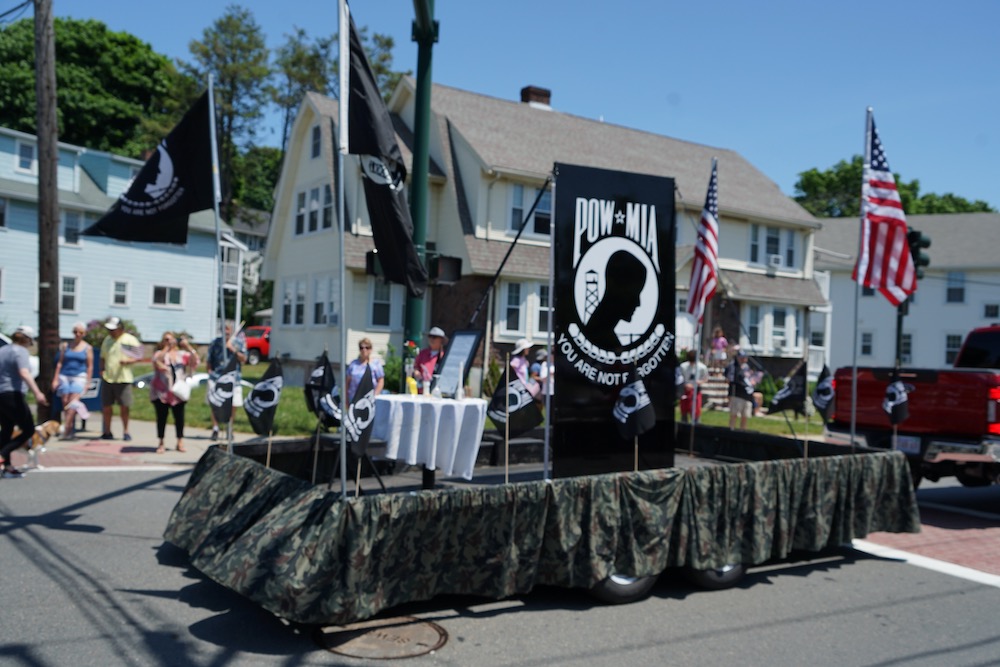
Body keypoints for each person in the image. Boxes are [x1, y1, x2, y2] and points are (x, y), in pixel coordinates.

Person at [0, 326, 48, 478]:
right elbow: (24, 373)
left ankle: (7, 466)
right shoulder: (20, 351)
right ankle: (2, 454)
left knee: (6, 430)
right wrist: (38, 393)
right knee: (28, 429)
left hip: (1, 395)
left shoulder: (3, 350)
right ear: (26, 339)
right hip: (13, 395)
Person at [149, 331, 200, 453]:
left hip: (177, 392)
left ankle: (180, 441)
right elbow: (156, 361)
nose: (169, 342)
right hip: (161, 392)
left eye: (171, 339)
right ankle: (161, 442)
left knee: (179, 418)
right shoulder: (159, 354)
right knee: (161, 418)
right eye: (166, 339)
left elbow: (195, 361)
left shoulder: (181, 354)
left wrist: (187, 346)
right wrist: (166, 348)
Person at [100, 316, 142, 441]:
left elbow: (139, 355)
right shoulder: (107, 340)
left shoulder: (129, 340)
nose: (111, 332)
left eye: (113, 330)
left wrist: (129, 361)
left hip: (123, 378)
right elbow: (102, 357)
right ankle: (107, 431)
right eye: (109, 330)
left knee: (124, 406)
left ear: (120, 328)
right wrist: (101, 370)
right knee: (107, 406)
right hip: (109, 378)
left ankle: (126, 431)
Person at [51, 321, 93, 440]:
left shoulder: (87, 348)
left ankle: (67, 429)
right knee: (65, 402)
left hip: (79, 376)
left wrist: (88, 382)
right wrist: (55, 379)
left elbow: (90, 366)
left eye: (80, 332)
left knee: (72, 403)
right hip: (65, 376)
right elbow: (60, 363)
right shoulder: (66, 346)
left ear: (84, 333)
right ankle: (69, 429)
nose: (77, 334)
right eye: (75, 332)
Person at [206, 321, 247, 440]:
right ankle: (215, 428)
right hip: (217, 377)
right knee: (215, 403)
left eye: (228, 329)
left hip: (234, 378)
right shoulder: (215, 343)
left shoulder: (238, 343)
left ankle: (229, 427)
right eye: (224, 329)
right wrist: (210, 373)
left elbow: (244, 359)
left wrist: (232, 349)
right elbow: (209, 361)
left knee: (234, 404)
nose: (226, 331)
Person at [726, 348, 759, 430]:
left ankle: (743, 432)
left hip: (747, 395)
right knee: (734, 415)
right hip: (737, 394)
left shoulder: (747, 367)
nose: (745, 359)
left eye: (745, 357)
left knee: (745, 416)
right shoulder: (733, 366)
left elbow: (752, 378)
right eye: (743, 357)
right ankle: (731, 430)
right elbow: (729, 380)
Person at [412, 326, 447, 393]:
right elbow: (415, 367)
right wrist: (416, 372)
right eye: (430, 336)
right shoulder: (422, 353)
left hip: (438, 391)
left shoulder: (444, 356)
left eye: (434, 337)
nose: (431, 339)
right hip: (422, 390)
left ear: (441, 340)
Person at [679, 349, 709, 423]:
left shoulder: (702, 367)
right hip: (685, 390)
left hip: (696, 391)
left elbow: (705, 378)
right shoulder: (683, 366)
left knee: (696, 411)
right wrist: (685, 384)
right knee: (684, 411)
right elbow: (679, 378)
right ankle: (684, 427)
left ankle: (696, 426)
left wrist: (700, 382)